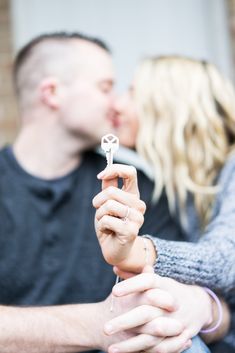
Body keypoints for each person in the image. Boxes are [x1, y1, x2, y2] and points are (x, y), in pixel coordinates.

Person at [0, 32, 225, 353]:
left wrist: (201, 306)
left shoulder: (132, 188)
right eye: (105, 87)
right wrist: (95, 324)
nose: (117, 103)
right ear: (52, 93)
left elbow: (204, 310)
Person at [93, 56, 235, 353]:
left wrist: (139, 251)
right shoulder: (186, 188)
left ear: (171, 105)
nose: (117, 104)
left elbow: (226, 260)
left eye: (132, 92)